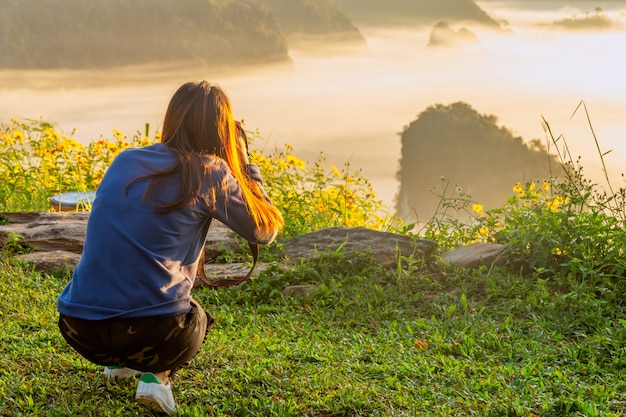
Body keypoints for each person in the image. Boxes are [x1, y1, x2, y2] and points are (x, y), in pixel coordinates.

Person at [57, 81, 284, 415]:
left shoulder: (124, 160)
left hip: (78, 327)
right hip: (157, 332)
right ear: (220, 129)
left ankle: (119, 366)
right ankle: (156, 378)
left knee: (136, 301)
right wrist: (246, 165)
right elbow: (264, 230)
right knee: (197, 319)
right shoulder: (210, 171)